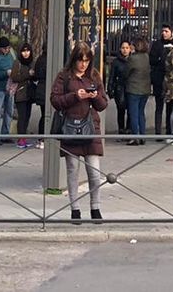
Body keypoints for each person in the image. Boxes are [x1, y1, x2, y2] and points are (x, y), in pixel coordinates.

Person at [51, 41, 109, 223]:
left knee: (94, 171)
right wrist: (75, 96)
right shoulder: (64, 76)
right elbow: (55, 100)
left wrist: (95, 96)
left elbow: (103, 104)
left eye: (86, 61)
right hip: (70, 126)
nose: (83, 64)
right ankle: (74, 209)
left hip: (90, 127)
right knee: (72, 170)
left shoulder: (94, 76)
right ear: (74, 60)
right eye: (80, 60)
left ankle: (95, 207)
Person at [124, 38, 153, 145]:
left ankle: (135, 136)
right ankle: (142, 135)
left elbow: (126, 72)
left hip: (134, 89)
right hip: (145, 89)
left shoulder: (132, 58)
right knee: (141, 112)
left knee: (133, 113)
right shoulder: (146, 57)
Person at [150, 25, 173, 137]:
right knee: (159, 107)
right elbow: (152, 60)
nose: (164, 33)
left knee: (170, 108)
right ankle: (158, 132)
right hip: (159, 80)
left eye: (166, 31)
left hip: (171, 81)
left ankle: (169, 131)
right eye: (163, 31)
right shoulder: (157, 45)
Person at [11, 44, 36, 148]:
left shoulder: (32, 62)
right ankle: (20, 139)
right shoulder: (17, 63)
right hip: (20, 93)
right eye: (23, 51)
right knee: (22, 117)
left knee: (27, 117)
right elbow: (14, 77)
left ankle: (24, 138)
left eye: (28, 51)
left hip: (29, 94)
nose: (26, 53)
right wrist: (28, 74)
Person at [108, 41, 133, 140]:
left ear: (130, 49)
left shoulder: (133, 60)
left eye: (127, 48)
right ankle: (121, 130)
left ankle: (129, 130)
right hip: (120, 88)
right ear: (120, 49)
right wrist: (110, 88)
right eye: (123, 48)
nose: (125, 50)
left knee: (131, 110)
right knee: (121, 110)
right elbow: (112, 76)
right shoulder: (116, 62)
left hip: (131, 88)